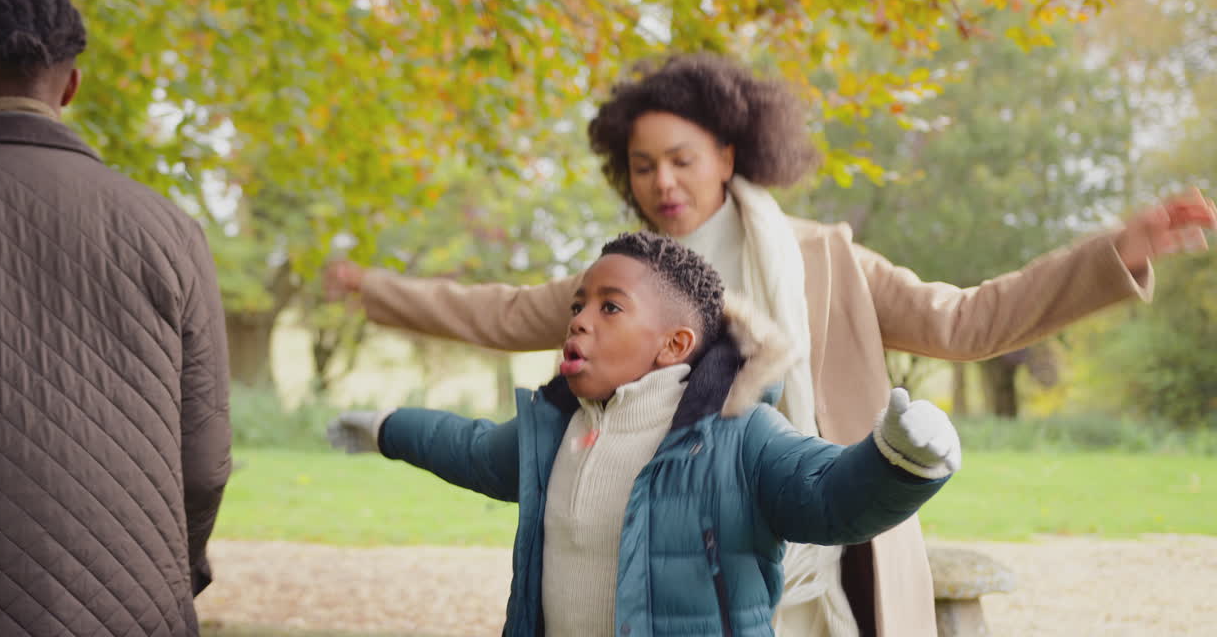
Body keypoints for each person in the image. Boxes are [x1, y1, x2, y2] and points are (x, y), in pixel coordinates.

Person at [325, 53, 1217, 636]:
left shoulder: (823, 259)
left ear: (726, 151)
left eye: (680, 158)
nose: (662, 181)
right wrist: (377, 291)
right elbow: (494, 312)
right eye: (641, 166)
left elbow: (967, 320)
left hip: (825, 560)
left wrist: (1118, 254)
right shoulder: (621, 285)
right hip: (672, 573)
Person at [327, 231, 961, 637]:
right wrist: (389, 428)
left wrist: (898, 462)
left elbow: (828, 498)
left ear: (674, 345)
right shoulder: (553, 434)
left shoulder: (738, 436)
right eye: (577, 305)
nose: (578, 321)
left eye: (609, 307)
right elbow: (465, 448)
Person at [0, 0, 231, 636]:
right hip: (127, 609)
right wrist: (168, 571)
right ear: (70, 85)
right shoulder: (168, 230)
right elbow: (206, 459)